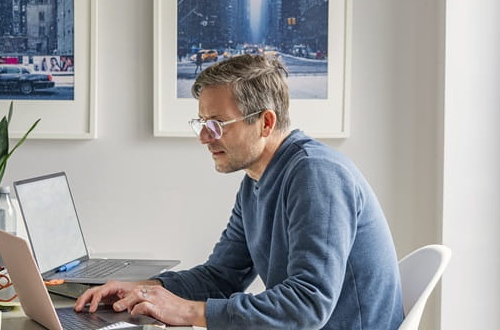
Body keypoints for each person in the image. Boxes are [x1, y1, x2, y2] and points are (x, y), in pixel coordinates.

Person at [74, 55, 404, 329]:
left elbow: (308, 303)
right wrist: (148, 289)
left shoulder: (316, 174)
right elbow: (221, 276)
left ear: (266, 122)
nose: (204, 136)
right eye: (201, 122)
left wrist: (188, 311)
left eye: (217, 123)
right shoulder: (256, 181)